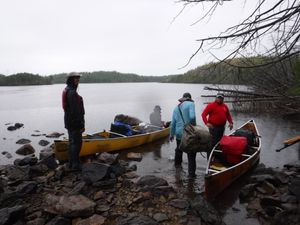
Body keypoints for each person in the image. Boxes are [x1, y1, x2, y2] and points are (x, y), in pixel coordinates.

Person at [170, 92, 197, 178]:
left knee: (179, 149)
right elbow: (192, 117)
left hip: (178, 133)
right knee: (191, 153)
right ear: (189, 98)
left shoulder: (176, 108)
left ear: (182, 98)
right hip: (188, 132)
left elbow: (173, 123)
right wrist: (193, 126)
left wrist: (171, 134)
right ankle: (191, 175)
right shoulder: (191, 104)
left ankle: (177, 168)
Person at [62, 72, 85, 171]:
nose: (78, 80)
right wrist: (81, 124)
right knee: (77, 143)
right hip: (74, 122)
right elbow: (75, 111)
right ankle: (75, 165)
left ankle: (71, 162)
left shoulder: (68, 89)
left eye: (78, 78)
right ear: (71, 79)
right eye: (76, 78)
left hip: (68, 121)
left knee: (72, 142)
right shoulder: (71, 92)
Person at [201, 93, 233, 159]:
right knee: (213, 143)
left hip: (221, 127)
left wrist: (231, 123)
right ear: (216, 98)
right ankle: (210, 158)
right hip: (213, 128)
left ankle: (217, 157)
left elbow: (228, 115)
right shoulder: (211, 105)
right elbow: (203, 114)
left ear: (223, 99)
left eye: (221, 98)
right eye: (218, 97)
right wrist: (206, 123)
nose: (219, 99)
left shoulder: (225, 106)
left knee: (219, 143)